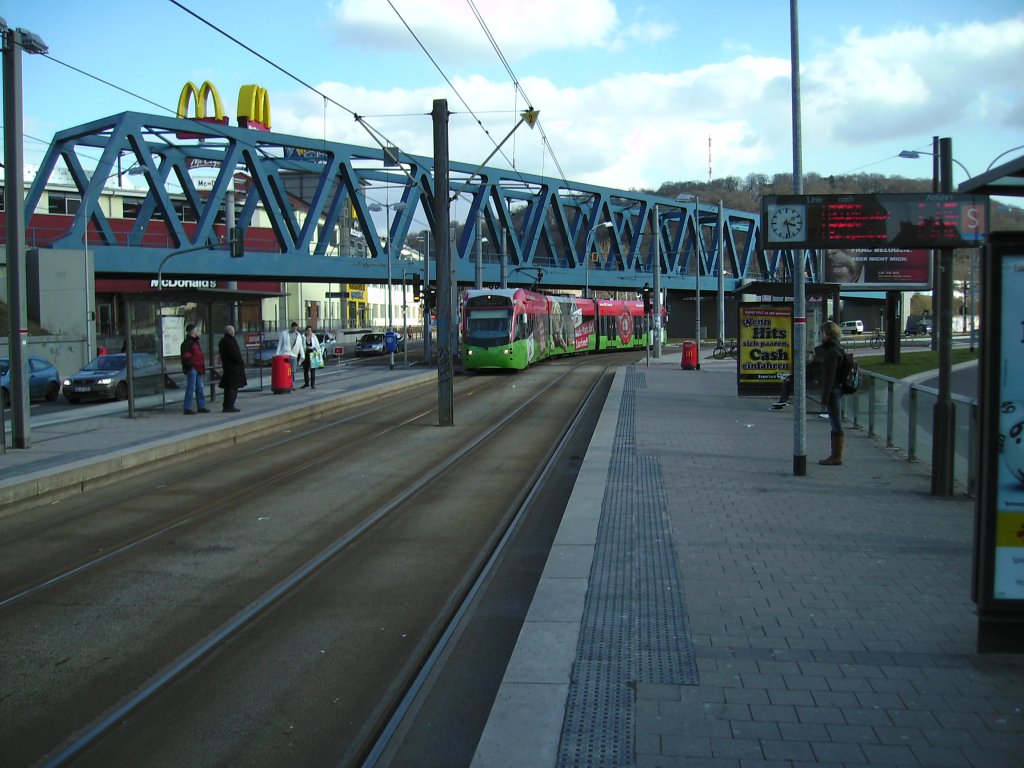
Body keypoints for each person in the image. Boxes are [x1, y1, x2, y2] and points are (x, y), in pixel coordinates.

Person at [817, 321, 846, 465]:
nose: (820, 335)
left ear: (827, 334)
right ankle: (836, 455)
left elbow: (829, 377)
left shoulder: (831, 352)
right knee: (835, 421)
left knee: (836, 423)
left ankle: (836, 456)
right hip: (837, 389)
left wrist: (824, 399)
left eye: (821, 333)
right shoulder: (837, 348)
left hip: (833, 390)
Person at [770, 344, 825, 411]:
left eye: (812, 353)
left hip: (811, 383)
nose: (811, 355)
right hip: (808, 381)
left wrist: (792, 378)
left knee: (787, 384)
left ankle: (782, 401)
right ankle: (782, 401)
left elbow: (806, 373)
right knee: (787, 383)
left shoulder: (817, 364)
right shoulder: (815, 363)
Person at [180, 323, 209, 415]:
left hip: (198, 368)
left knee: (200, 387)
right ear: (192, 333)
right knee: (191, 388)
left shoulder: (195, 342)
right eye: (196, 330)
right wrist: (191, 366)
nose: (197, 332)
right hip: (193, 368)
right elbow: (186, 357)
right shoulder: (187, 344)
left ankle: (201, 406)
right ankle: (187, 407)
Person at [218, 325, 247, 412]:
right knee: (232, 388)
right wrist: (241, 361)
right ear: (231, 332)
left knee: (228, 388)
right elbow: (235, 355)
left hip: (227, 367)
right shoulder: (230, 341)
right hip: (233, 369)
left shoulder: (222, 341)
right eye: (233, 331)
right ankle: (230, 405)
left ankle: (227, 405)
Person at [276, 321, 304, 388]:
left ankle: (292, 384)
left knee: (293, 371)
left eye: (296, 328)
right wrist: (277, 354)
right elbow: (280, 344)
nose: (295, 330)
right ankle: (285, 383)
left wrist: (302, 355)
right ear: (291, 327)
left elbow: (300, 346)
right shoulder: (284, 334)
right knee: (285, 370)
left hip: (294, 355)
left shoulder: (298, 335)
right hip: (285, 354)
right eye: (294, 328)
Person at [300, 325, 324, 389]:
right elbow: (301, 346)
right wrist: (305, 348)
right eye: (308, 330)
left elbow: (317, 345)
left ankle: (312, 384)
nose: (309, 331)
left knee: (312, 370)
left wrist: (315, 349)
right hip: (306, 354)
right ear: (306, 331)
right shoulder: (303, 337)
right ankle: (306, 383)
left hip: (313, 353)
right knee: (305, 370)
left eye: (310, 330)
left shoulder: (314, 337)